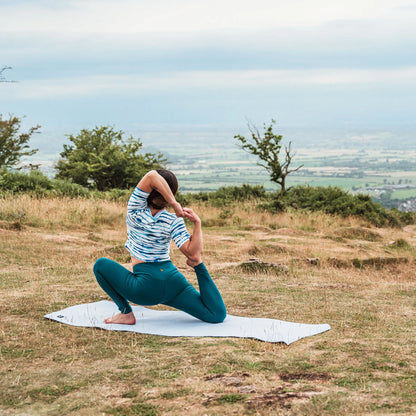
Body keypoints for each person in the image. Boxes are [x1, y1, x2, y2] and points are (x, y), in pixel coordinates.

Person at [93, 169, 226, 325]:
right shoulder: (173, 220)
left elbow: (152, 176)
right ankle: (199, 269)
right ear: (171, 193)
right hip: (174, 282)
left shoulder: (135, 209)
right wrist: (197, 223)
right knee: (216, 314)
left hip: (145, 287)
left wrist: (174, 204)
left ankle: (125, 313)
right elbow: (194, 255)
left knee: (100, 265)